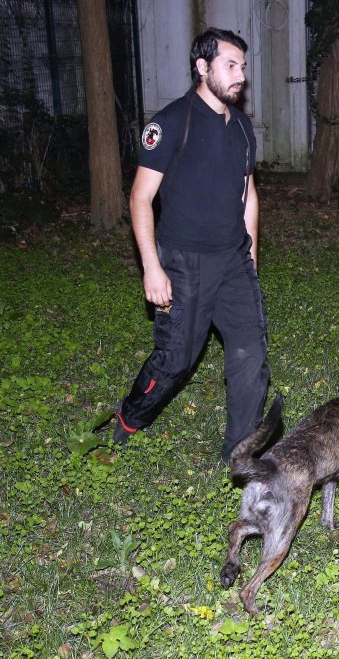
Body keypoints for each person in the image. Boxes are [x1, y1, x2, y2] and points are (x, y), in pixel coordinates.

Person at [114, 27, 270, 464]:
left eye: (242, 66)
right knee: (176, 361)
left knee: (250, 354)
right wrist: (152, 267)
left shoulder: (241, 127)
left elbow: (248, 194)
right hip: (184, 263)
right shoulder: (169, 124)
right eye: (230, 65)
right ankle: (129, 417)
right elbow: (140, 198)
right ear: (202, 68)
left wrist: (251, 257)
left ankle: (239, 452)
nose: (240, 75)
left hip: (233, 260)